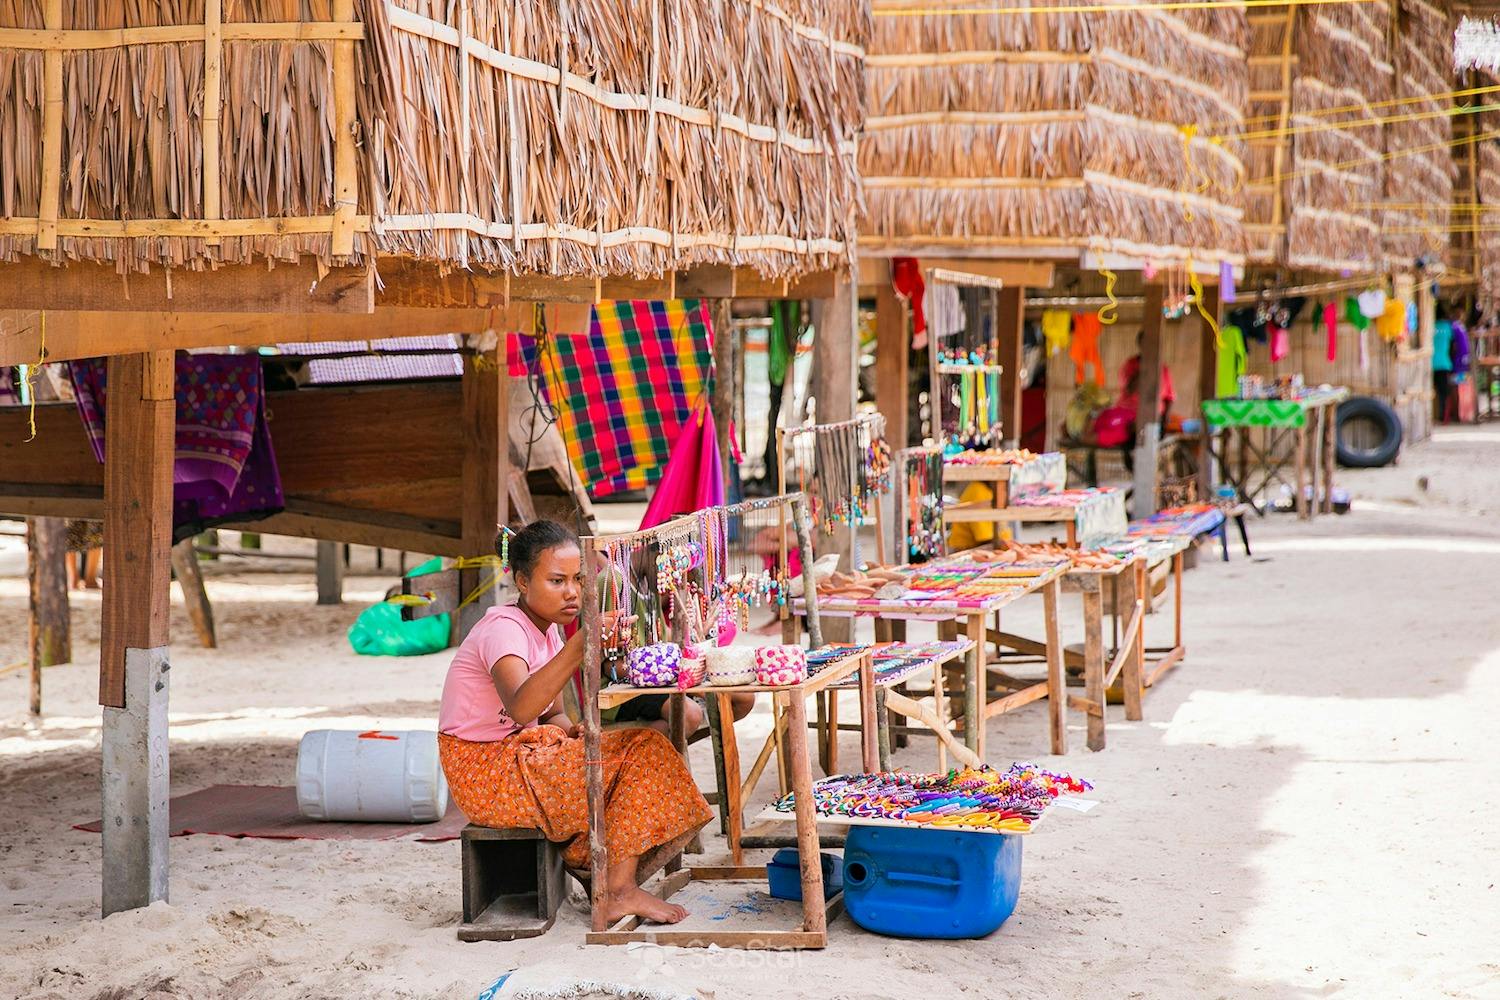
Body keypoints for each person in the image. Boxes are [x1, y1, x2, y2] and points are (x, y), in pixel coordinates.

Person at [438, 520, 712, 925]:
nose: (571, 591)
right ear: (523, 582)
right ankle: (617, 892)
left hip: (523, 757)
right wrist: (580, 644)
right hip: (486, 771)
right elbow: (520, 707)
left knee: (644, 746)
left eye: (578, 579)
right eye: (556, 580)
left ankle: (614, 881)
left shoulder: (546, 631)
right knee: (640, 754)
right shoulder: (503, 630)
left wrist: (571, 730)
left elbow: (550, 712)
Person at [1433, 305, 1455, 423]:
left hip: (1429, 363)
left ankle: (1432, 416)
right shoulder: (1447, 327)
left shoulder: (1430, 326)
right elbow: (1452, 345)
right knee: (1443, 392)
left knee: (1431, 391)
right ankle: (1443, 416)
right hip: (1444, 363)